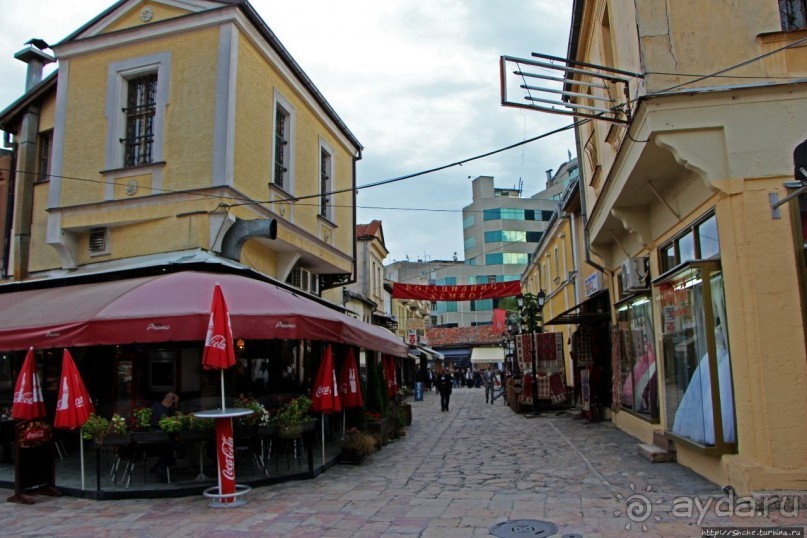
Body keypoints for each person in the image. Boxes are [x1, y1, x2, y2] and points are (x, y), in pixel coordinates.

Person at [149, 392, 179, 479]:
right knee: (177, 446)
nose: (176, 406)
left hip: (154, 439)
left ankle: (158, 467)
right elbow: (170, 426)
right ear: (171, 401)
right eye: (176, 403)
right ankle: (161, 468)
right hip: (159, 441)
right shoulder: (163, 412)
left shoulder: (156, 407)